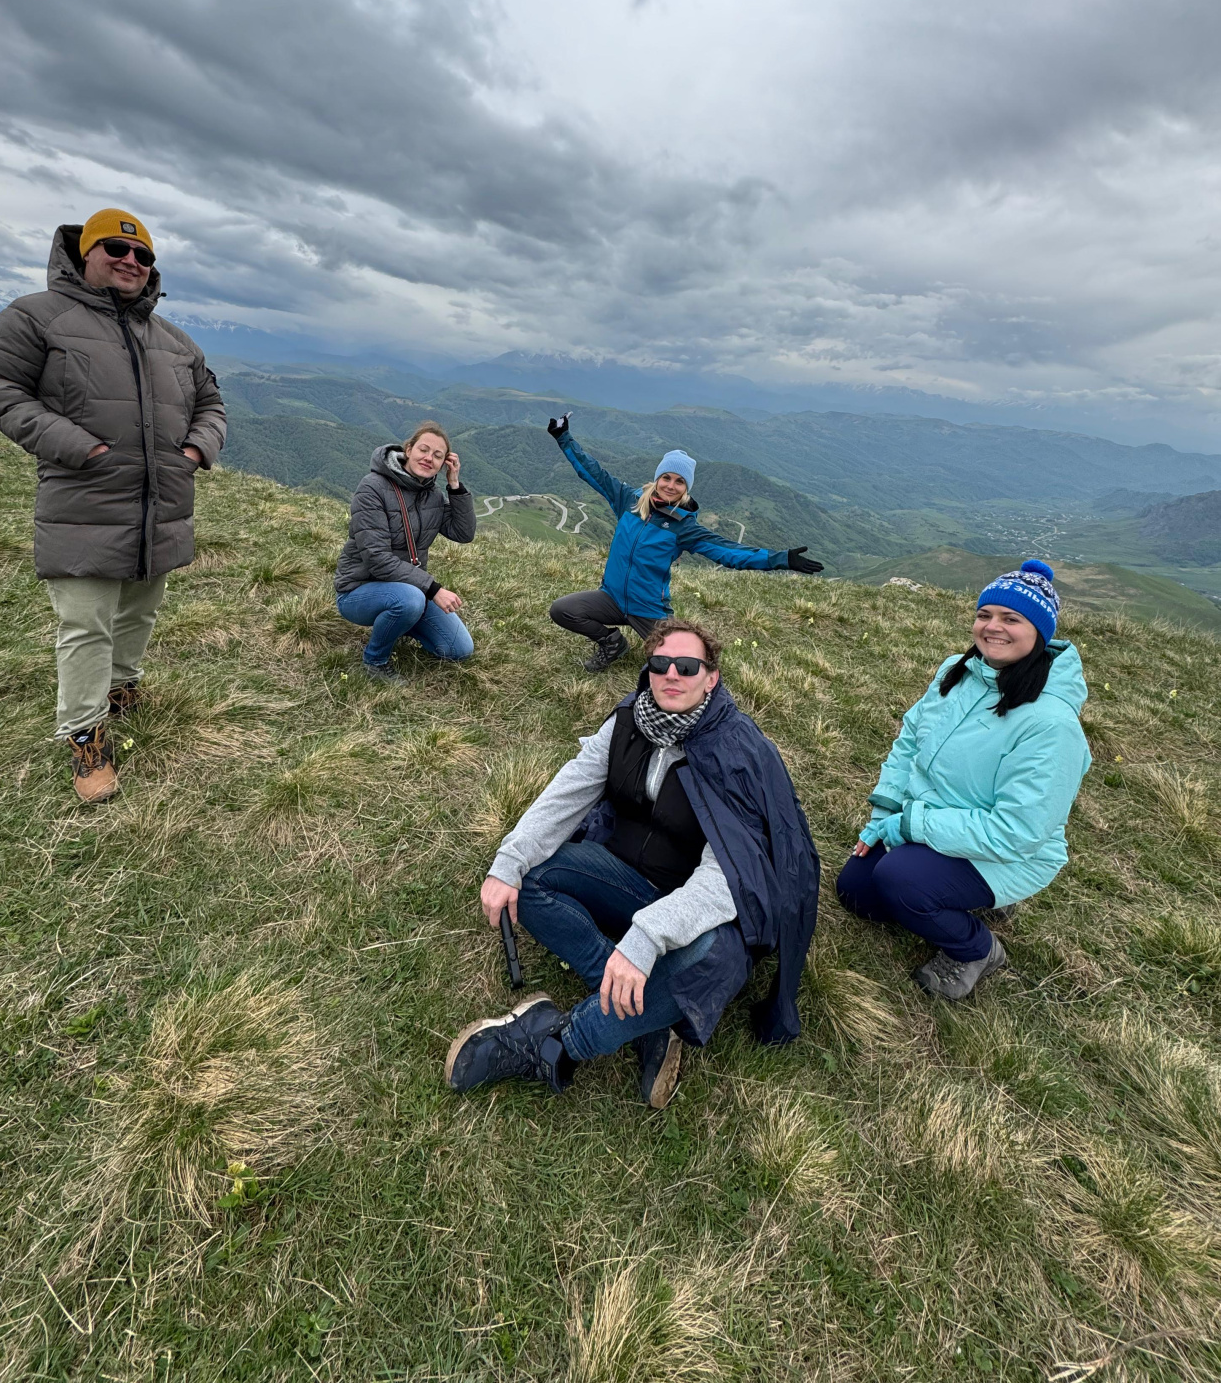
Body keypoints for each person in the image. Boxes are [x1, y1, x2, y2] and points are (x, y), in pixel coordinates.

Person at [445, 619, 820, 1107]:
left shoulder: (738, 753)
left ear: (712, 677)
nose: (671, 675)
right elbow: (569, 791)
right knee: (533, 878)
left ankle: (557, 1042)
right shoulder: (630, 719)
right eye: (659, 664)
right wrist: (507, 862)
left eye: (687, 666)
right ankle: (646, 1015)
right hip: (625, 875)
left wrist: (647, 936)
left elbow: (728, 875)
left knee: (721, 960)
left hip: (691, 905)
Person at [0, 210, 227, 802]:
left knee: (138, 611)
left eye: (143, 256)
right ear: (83, 252)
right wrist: (77, 446)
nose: (131, 261)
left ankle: (123, 689)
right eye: (115, 248)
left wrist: (195, 449)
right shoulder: (36, 316)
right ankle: (86, 737)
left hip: (160, 507)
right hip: (82, 502)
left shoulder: (175, 340)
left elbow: (212, 402)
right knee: (86, 624)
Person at [836, 560, 1091, 1002]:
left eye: (1011, 618)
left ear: (1041, 631)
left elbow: (1018, 833)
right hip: (932, 820)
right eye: (985, 614)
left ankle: (977, 949)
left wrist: (907, 826)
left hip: (1010, 852)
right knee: (857, 894)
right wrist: (885, 813)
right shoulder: (959, 670)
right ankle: (950, 890)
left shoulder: (1051, 724)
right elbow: (910, 741)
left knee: (901, 880)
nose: (993, 627)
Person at [544, 413, 824, 671]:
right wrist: (563, 438)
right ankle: (612, 643)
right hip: (612, 598)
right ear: (657, 479)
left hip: (648, 609)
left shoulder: (683, 527)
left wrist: (780, 559)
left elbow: (729, 552)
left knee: (675, 667)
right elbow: (593, 473)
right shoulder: (629, 501)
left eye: (679, 481)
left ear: (685, 489)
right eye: (666, 477)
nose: (670, 485)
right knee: (562, 610)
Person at [334, 423, 477, 682]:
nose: (428, 458)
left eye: (437, 455)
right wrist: (433, 589)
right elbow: (376, 558)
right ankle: (375, 661)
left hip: (409, 589)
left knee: (459, 649)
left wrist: (454, 486)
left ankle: (398, 622)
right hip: (358, 591)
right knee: (409, 599)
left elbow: (463, 533)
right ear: (408, 450)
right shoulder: (373, 487)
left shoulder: (431, 496)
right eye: (423, 449)